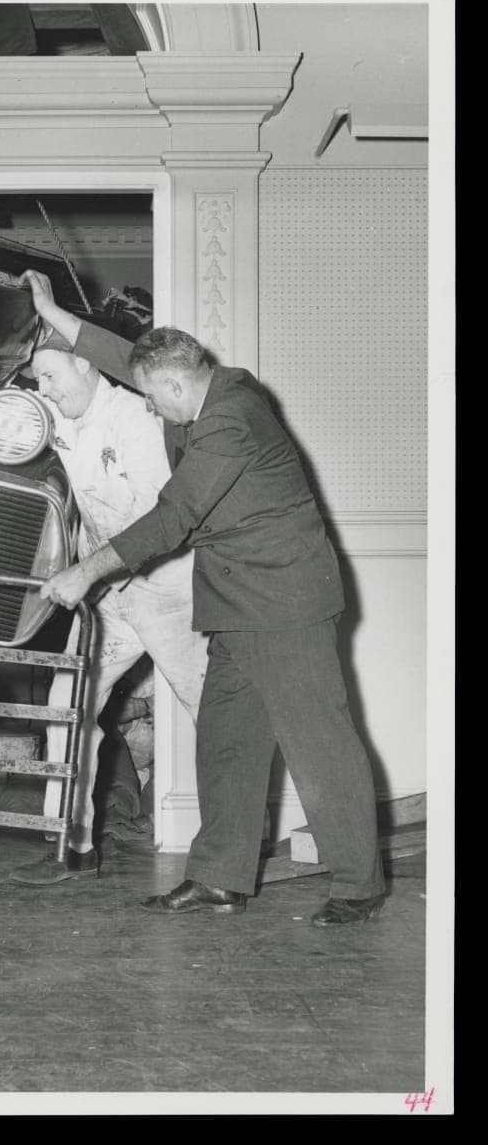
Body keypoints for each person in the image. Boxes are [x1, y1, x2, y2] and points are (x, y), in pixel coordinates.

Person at [19, 270, 386, 928]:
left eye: (156, 401)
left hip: (285, 602)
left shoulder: (233, 419)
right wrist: (52, 312)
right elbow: (120, 361)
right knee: (227, 739)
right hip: (240, 602)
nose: (151, 410)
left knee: (318, 743)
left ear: (177, 386)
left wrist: (86, 572)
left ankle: (360, 882)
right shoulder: (199, 387)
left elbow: (175, 515)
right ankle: (220, 878)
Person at [8, 337, 209, 886]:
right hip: (109, 598)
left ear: (85, 362)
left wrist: (84, 572)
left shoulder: (134, 420)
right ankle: (70, 848)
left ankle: (233, 853)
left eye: (50, 376)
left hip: (168, 593)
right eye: (36, 381)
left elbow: (156, 526)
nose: (43, 390)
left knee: (213, 715)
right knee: (66, 708)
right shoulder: (58, 414)